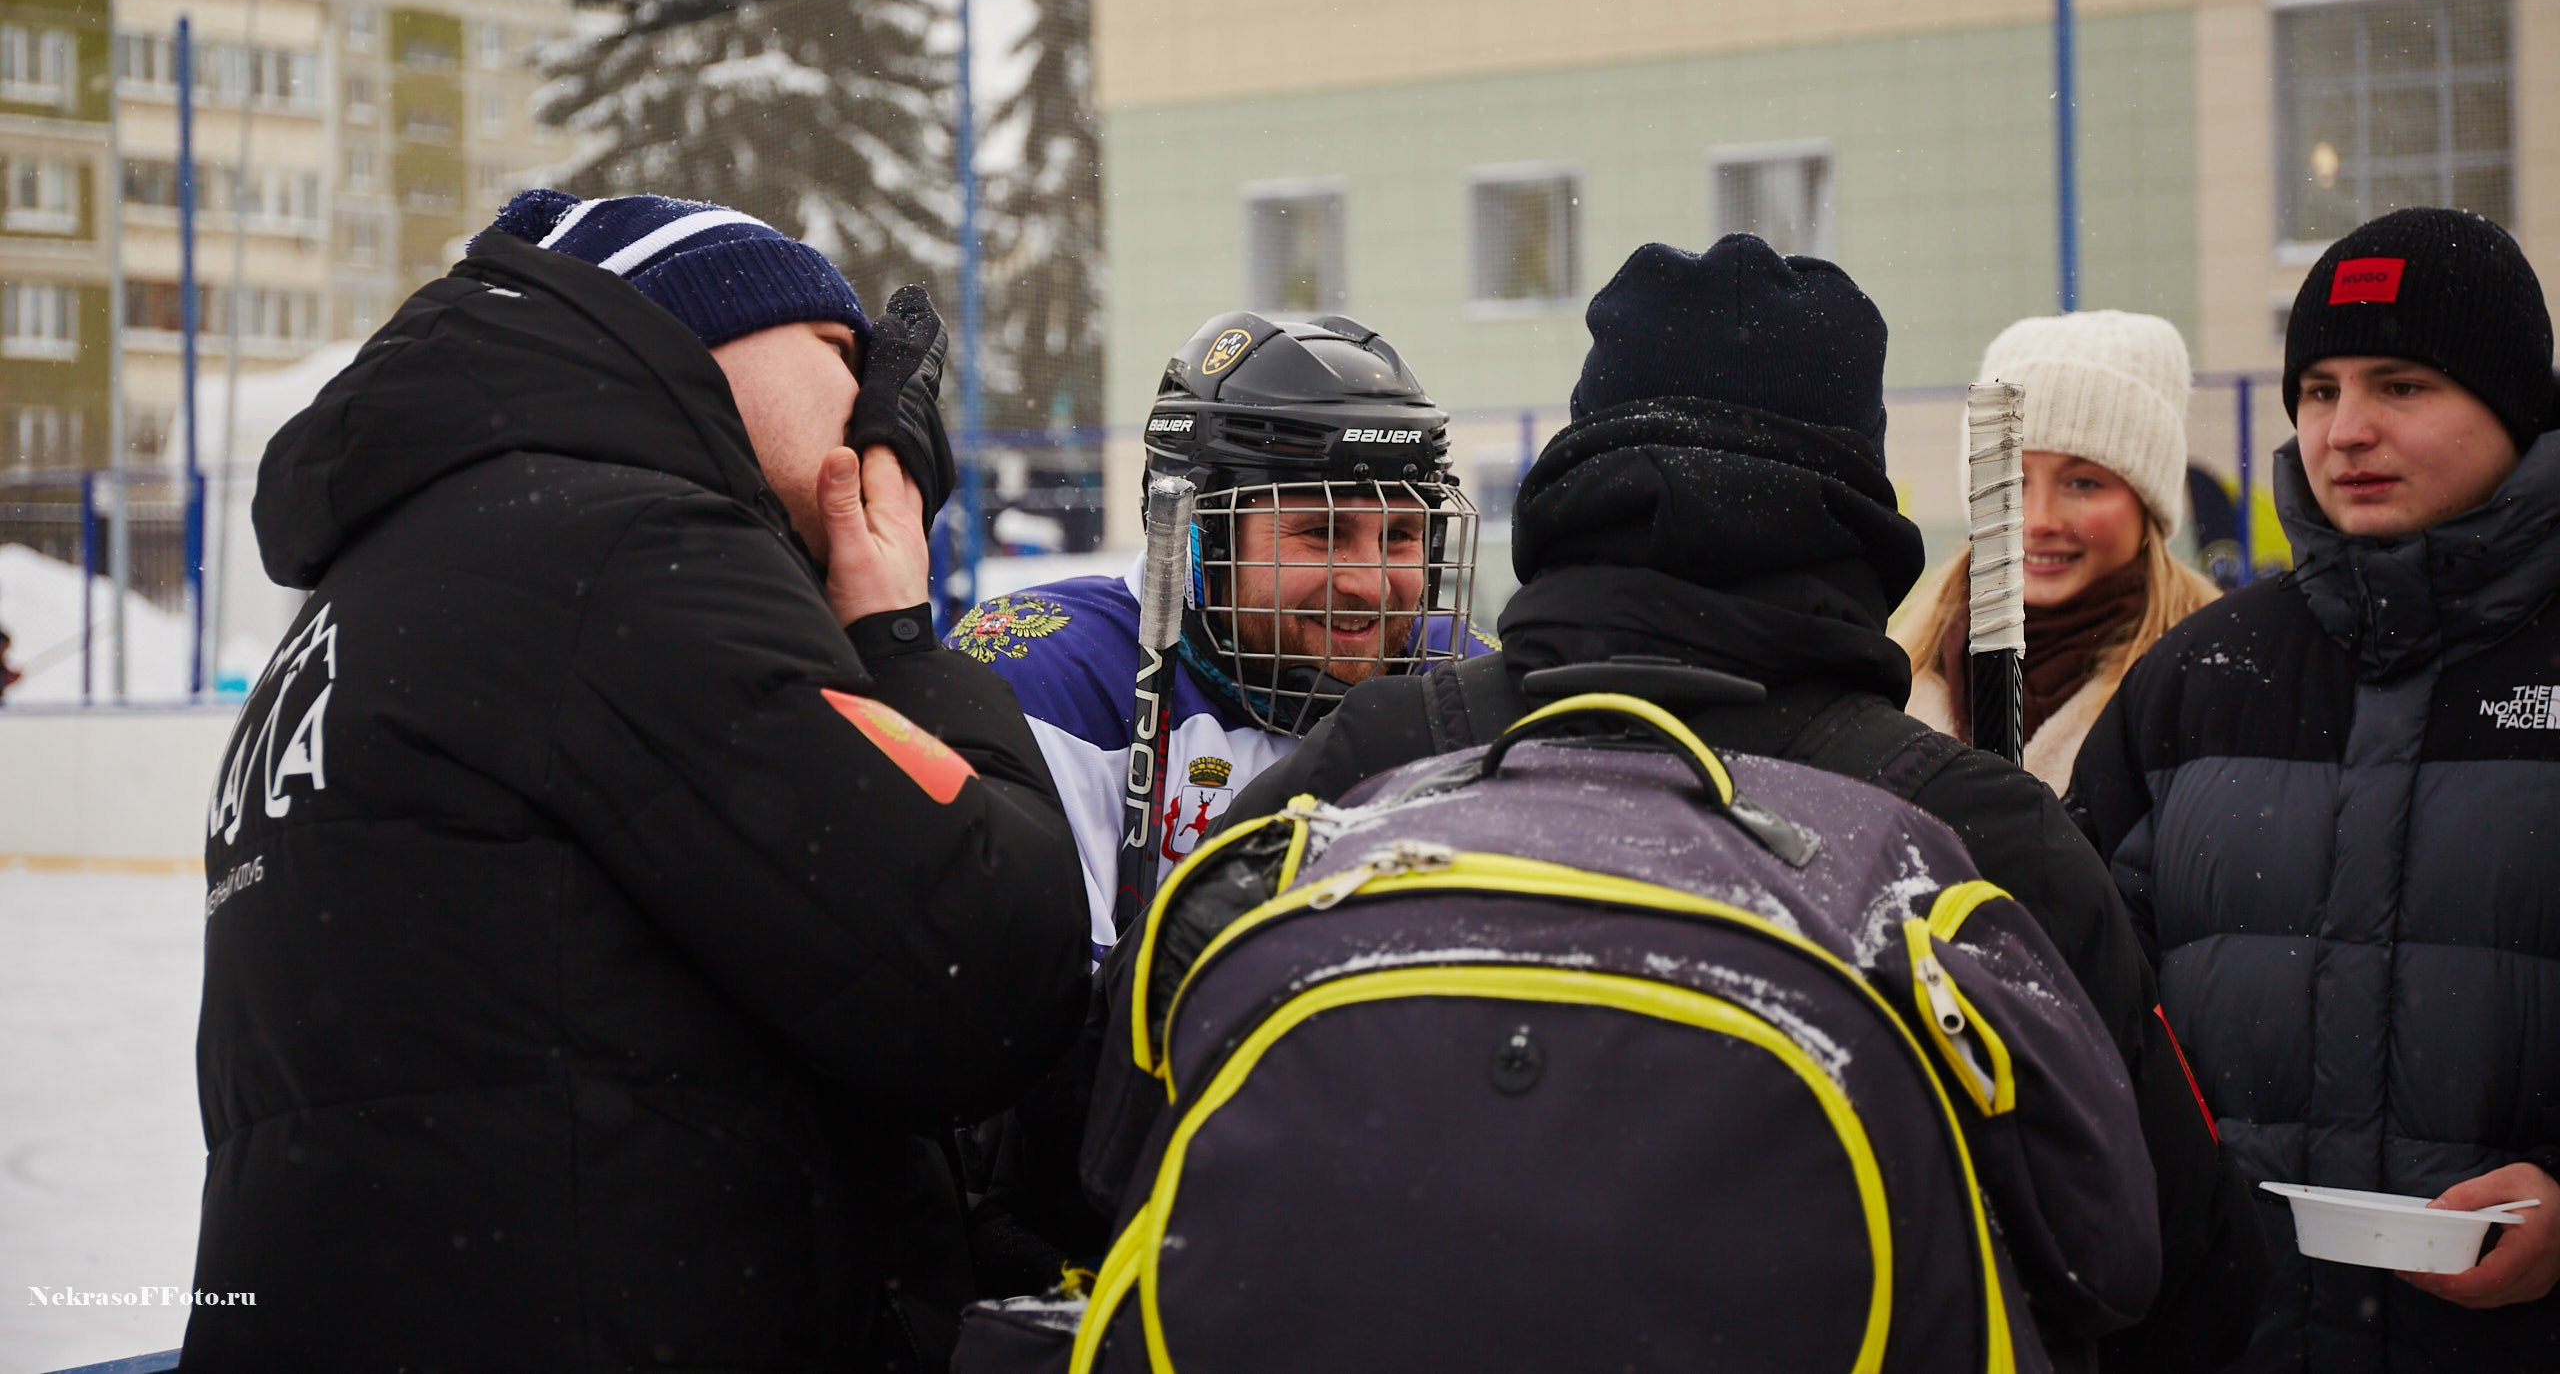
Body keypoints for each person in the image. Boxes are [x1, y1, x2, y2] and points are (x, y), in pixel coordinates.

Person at [1236, 236, 2267, 1371]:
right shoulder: (1977, 834)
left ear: (1578, 470)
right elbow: (2166, 1262)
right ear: (1857, 497)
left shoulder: (1375, 759)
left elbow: (1110, 1133)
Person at [184, 190, 1091, 1373]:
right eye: (837, 356)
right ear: (707, 339)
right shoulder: (624, 549)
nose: (870, 411)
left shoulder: (384, 585)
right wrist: (897, 640)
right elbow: (985, 967)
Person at [2073, 206, 2560, 1371]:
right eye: (2321, 389)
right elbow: (2074, 1004)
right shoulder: (2194, 681)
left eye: (2399, 386)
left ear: (2513, 407)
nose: (2346, 431)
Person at [945, 309, 1483, 960]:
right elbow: (1054, 1028)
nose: (1371, 585)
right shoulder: (1050, 680)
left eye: (1399, 536)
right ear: (1200, 530)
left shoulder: (1468, 683)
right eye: (1323, 532)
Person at [1896, 310, 2219, 795]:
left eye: (2083, 482)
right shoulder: (1897, 677)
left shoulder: (2212, 684)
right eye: (2011, 479)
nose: (2040, 519)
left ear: (2148, 504)